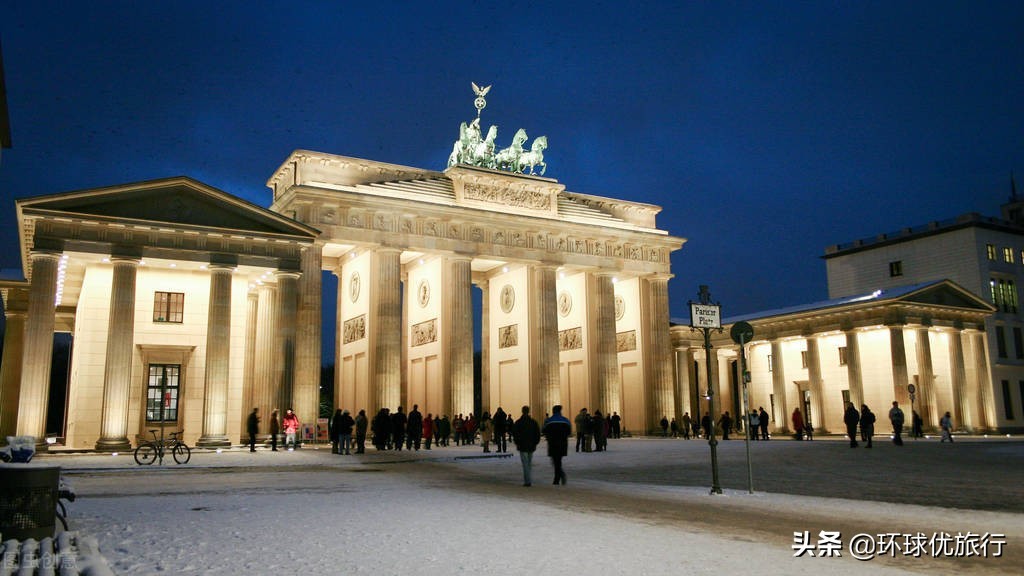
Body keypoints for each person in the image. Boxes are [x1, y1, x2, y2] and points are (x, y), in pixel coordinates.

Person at [542, 405, 572, 485]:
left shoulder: (549, 421)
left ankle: (558, 477)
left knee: (555, 461)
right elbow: (569, 432)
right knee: (558, 461)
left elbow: (544, 430)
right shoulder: (565, 420)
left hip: (552, 444)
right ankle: (558, 477)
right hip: (562, 444)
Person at [512, 405, 541, 487]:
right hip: (531, 445)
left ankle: (527, 480)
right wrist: (535, 443)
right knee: (529, 463)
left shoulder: (519, 422)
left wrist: (518, 443)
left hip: (522, 445)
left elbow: (515, 434)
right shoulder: (533, 422)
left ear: (522, 411)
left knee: (525, 463)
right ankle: (528, 479)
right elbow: (537, 434)